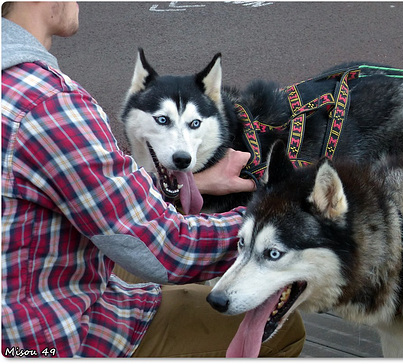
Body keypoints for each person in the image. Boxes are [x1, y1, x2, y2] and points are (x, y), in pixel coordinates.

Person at [1, 1, 305, 358]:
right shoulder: (48, 103)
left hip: (20, 296)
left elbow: (51, 187)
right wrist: (276, 223)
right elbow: (164, 249)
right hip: (44, 340)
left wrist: (194, 183)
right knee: (285, 331)